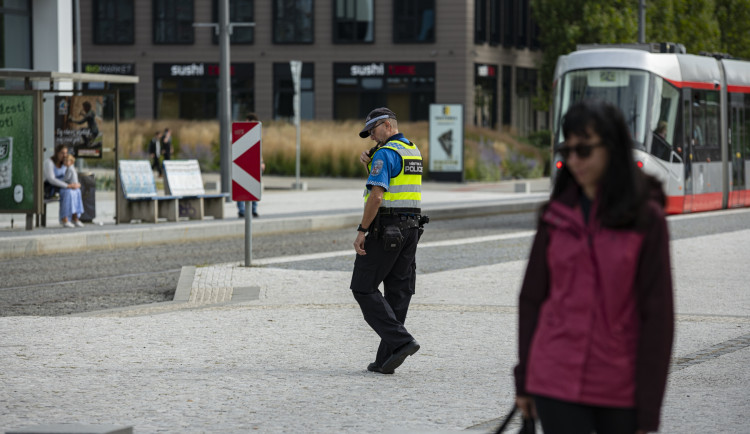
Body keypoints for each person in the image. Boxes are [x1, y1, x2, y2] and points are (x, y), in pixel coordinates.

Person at [514, 100, 674, 433]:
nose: (573, 160)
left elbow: (658, 317)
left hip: (619, 385)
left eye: (584, 150)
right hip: (553, 380)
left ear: (612, 148)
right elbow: (532, 299)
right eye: (566, 149)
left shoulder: (646, 220)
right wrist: (524, 379)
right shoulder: (555, 216)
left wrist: (649, 408)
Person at [350, 107, 426, 374]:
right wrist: (370, 163)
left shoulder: (385, 153)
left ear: (386, 125)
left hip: (387, 230)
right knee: (398, 292)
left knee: (362, 287)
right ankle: (386, 359)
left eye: (372, 130)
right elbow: (400, 183)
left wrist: (362, 230)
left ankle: (401, 341)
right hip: (411, 230)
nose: (370, 136)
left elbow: (377, 196)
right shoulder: (412, 149)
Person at [43, 144, 85, 228]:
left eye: (66, 153)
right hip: (51, 188)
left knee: (77, 191)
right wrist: (68, 186)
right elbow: (51, 179)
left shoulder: (66, 163)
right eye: (62, 153)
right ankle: (64, 218)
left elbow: (72, 174)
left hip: (64, 186)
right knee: (68, 192)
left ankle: (75, 217)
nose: (64, 155)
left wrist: (76, 184)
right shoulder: (49, 162)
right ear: (57, 153)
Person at [237, 113, 265, 218]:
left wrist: (261, 162)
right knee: (241, 187)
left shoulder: (255, 133)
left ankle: (253, 209)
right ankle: (242, 210)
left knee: (254, 186)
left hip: (253, 163)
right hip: (242, 163)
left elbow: (258, 149)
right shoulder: (240, 131)